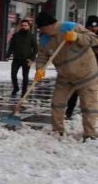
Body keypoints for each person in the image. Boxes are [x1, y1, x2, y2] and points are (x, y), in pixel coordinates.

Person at [34, 11, 98, 141]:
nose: (41, 30)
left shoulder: (70, 27)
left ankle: (89, 134)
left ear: (50, 25)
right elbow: (42, 56)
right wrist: (40, 68)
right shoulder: (44, 40)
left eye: (41, 28)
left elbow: (95, 40)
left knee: (89, 106)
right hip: (65, 76)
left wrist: (76, 36)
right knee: (57, 103)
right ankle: (57, 131)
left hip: (86, 73)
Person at [66, 15, 98, 119]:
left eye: (95, 27)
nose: (93, 29)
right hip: (81, 68)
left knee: (92, 93)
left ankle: (91, 113)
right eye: (91, 27)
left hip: (96, 69)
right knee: (75, 90)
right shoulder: (82, 35)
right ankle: (69, 110)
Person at [6, 19, 37, 97]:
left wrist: (31, 59)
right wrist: (8, 55)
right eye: (22, 25)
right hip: (16, 59)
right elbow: (11, 46)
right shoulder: (16, 35)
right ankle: (16, 88)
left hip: (26, 59)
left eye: (25, 26)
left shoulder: (32, 36)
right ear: (20, 26)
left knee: (25, 76)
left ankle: (24, 91)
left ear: (28, 26)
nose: (24, 27)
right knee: (13, 74)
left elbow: (36, 49)